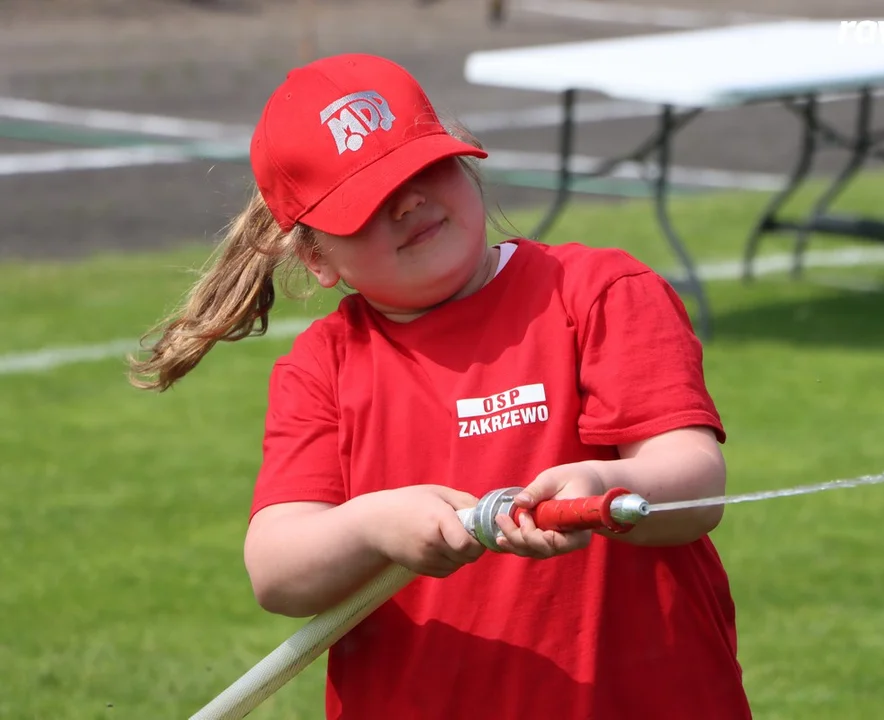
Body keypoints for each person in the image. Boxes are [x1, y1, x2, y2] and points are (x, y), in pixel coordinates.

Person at [129, 53, 753, 720]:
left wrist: (602, 489)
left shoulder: (599, 293)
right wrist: (373, 527)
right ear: (316, 258)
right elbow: (277, 571)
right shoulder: (323, 367)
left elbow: (694, 483)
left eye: (422, 168)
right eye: (366, 202)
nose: (409, 202)